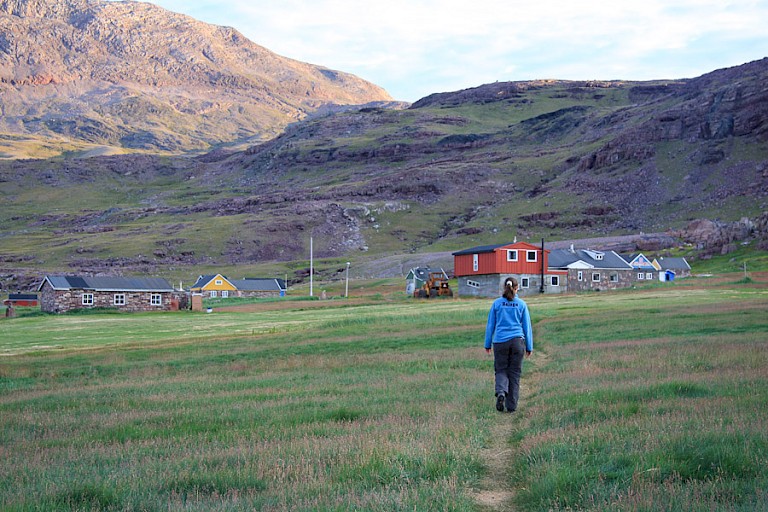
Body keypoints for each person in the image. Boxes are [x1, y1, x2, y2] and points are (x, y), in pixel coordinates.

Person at [484, 277, 533, 413]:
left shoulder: (497, 304)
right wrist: (529, 346)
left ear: (504, 287)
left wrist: (487, 344)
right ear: (516, 289)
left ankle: (501, 392)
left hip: (500, 342)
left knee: (501, 370)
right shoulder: (521, 304)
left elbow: (490, 325)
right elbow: (527, 327)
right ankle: (511, 406)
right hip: (517, 342)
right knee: (514, 373)